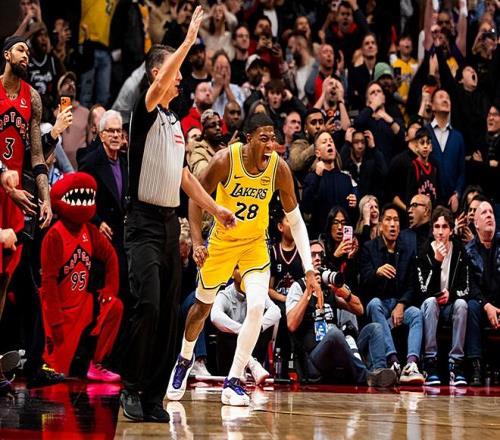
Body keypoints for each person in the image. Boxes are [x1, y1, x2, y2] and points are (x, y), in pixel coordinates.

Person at [119, 7, 235, 424]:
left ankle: (153, 395)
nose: (181, 78)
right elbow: (161, 82)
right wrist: (187, 41)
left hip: (170, 225)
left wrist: (215, 208)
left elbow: (184, 176)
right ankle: (130, 386)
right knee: (148, 303)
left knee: (169, 314)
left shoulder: (173, 122)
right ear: (158, 74)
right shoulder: (145, 110)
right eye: (175, 71)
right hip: (142, 222)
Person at [166, 112, 322, 406]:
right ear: (248, 139)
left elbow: (296, 221)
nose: (270, 145)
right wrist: (197, 242)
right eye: (264, 139)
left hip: (254, 245)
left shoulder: (279, 168)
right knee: (202, 307)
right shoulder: (226, 160)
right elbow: (196, 197)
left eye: (273, 139)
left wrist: (309, 269)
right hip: (222, 243)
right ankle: (185, 359)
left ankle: (233, 380)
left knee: (257, 307)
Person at [286, 240, 397, 387]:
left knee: (375, 328)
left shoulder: (329, 283)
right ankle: (366, 376)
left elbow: (359, 309)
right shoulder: (297, 287)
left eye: (320, 254)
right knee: (334, 333)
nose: (318, 258)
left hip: (339, 351)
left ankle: (380, 372)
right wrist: (309, 289)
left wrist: (343, 293)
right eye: (313, 255)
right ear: (304, 261)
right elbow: (291, 324)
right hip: (314, 357)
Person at [0, 35, 52, 319]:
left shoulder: (32, 97)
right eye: (20, 49)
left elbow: (37, 157)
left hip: (16, 198)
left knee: (6, 280)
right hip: (5, 188)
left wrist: (46, 199)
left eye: (29, 53)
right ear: (6, 55)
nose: (26, 55)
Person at [360, 204, 425, 385]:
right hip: (379, 305)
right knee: (374, 303)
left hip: (398, 304)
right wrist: (377, 273)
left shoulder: (407, 250)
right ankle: (393, 361)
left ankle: (411, 364)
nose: (393, 224)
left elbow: (412, 286)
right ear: (381, 225)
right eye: (388, 220)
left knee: (417, 314)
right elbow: (363, 281)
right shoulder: (369, 248)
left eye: (396, 220)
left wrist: (401, 304)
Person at [415, 206, 470, 386]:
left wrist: (451, 295)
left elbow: (466, 287)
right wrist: (437, 262)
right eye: (437, 227)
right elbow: (423, 290)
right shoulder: (424, 252)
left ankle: (456, 364)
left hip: (450, 305)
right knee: (431, 301)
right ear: (432, 230)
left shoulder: (459, 251)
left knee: (462, 304)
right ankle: (430, 362)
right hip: (430, 305)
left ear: (451, 230)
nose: (440, 231)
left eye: (445, 227)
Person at [211, 267, 280, 382]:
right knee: (227, 332)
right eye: (239, 267)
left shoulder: (257, 292)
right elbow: (215, 316)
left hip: (254, 346)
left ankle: (248, 365)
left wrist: (256, 327)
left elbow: (276, 311)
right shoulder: (224, 294)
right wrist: (243, 330)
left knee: (262, 326)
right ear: (232, 274)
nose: (244, 270)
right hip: (229, 353)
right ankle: (252, 365)